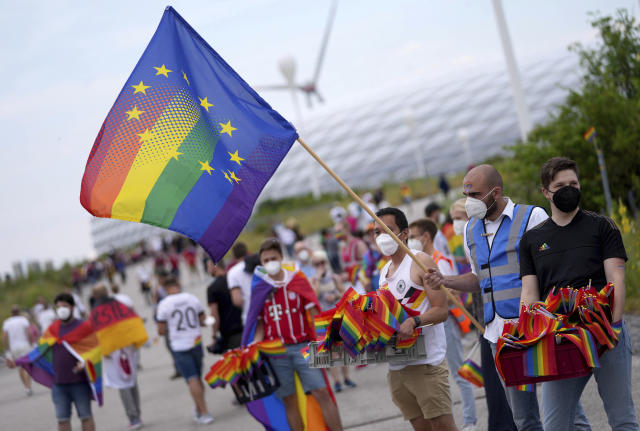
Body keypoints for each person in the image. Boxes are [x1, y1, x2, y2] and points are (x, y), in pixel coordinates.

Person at [424, 164, 591, 431]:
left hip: (538, 330)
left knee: (565, 414)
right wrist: (446, 280)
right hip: (499, 337)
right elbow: (479, 279)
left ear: (496, 192)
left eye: (475, 194)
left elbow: (554, 268)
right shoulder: (470, 230)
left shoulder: (531, 216)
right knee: (523, 419)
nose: (469, 201)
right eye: (466, 193)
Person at [519, 157, 639, 431]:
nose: (568, 189)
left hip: (606, 332)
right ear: (545, 192)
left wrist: (615, 327)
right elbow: (529, 293)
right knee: (555, 425)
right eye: (560, 185)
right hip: (559, 339)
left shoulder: (602, 227)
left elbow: (616, 278)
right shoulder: (531, 240)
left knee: (623, 420)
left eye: (573, 183)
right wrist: (528, 336)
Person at [243, 238, 343, 431]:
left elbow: (314, 314)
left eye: (273, 257)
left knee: (321, 391)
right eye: (266, 260)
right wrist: (254, 344)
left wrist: (324, 340)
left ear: (281, 257)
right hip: (276, 353)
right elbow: (260, 325)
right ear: (261, 263)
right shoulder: (260, 288)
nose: (270, 262)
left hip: (303, 346)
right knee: (290, 400)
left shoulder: (296, 280)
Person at [374, 207, 457, 431]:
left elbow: (441, 310)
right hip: (397, 367)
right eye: (376, 232)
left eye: (387, 230)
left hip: (426, 364)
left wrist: (415, 321)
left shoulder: (420, 261)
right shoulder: (383, 273)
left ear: (404, 233)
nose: (381, 237)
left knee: (442, 427)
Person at [450, 198, 516, 431]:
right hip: (485, 322)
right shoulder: (469, 241)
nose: (456, 224)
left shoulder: (483, 239)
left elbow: (480, 280)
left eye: (459, 218)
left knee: (500, 383)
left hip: (496, 321)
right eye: (454, 219)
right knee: (493, 384)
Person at [408, 218, 477, 431]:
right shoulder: (417, 261)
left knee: (458, 373)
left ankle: (470, 421)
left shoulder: (439, 260)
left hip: (446, 323)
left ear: (425, 236)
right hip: (430, 325)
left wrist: (429, 302)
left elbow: (452, 293)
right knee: (439, 379)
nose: (410, 240)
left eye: (412, 236)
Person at [156, 276, 214, 425]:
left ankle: (204, 412)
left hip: (179, 345)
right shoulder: (191, 298)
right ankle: (199, 409)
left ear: (165, 289)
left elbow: (161, 331)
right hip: (195, 341)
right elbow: (203, 320)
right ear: (178, 284)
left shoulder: (164, 304)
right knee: (197, 377)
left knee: (191, 379)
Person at [93, 285, 143, 429]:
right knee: (132, 380)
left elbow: (96, 334)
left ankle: (133, 418)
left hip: (113, 351)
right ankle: (137, 414)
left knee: (122, 385)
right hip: (129, 347)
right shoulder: (121, 306)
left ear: (95, 297)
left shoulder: (96, 312)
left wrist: (103, 351)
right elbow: (134, 320)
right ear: (107, 292)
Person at [309, 250, 356, 393]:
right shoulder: (313, 280)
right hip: (323, 318)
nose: (320, 266)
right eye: (316, 264)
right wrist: (317, 278)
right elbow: (314, 297)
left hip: (336, 316)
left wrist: (335, 296)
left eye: (322, 263)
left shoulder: (334, 277)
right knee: (330, 352)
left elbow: (344, 293)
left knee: (342, 349)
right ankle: (336, 381)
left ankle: (346, 377)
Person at [51, 293, 97, 431]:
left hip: (79, 382)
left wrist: (85, 363)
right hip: (59, 384)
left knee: (86, 416)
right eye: (58, 306)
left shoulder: (84, 327)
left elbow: (95, 350)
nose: (61, 309)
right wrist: (17, 361)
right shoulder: (52, 329)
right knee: (62, 420)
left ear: (72, 307)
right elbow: (38, 351)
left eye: (64, 306)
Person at [206, 259, 243, 353]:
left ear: (215, 267)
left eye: (208, 267)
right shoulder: (235, 279)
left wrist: (214, 335)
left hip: (230, 335)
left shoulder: (212, 288)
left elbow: (214, 314)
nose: (208, 270)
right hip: (246, 328)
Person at [3, 305, 34, 396]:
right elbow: (28, 332)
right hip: (24, 345)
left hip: (14, 347)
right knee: (27, 366)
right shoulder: (23, 320)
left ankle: (26, 387)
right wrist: (31, 343)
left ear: (11, 313)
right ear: (19, 312)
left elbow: (5, 336)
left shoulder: (7, 322)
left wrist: (6, 348)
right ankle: (28, 386)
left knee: (20, 367)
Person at [334, 220, 368, 291]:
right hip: (352, 285)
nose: (338, 234)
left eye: (339, 231)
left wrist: (350, 274)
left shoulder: (359, 243)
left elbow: (368, 264)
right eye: (336, 232)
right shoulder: (341, 247)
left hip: (363, 283)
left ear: (347, 229)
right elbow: (345, 267)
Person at [227, 242, 254, 324]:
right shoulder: (257, 264)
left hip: (249, 314)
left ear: (234, 256)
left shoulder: (232, 272)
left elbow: (237, 300)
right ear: (246, 252)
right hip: (266, 310)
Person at [424, 202, 456, 266]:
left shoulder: (436, 229)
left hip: (449, 266)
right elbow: (436, 254)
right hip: (444, 268)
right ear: (434, 213)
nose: (441, 214)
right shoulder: (431, 232)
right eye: (439, 211)